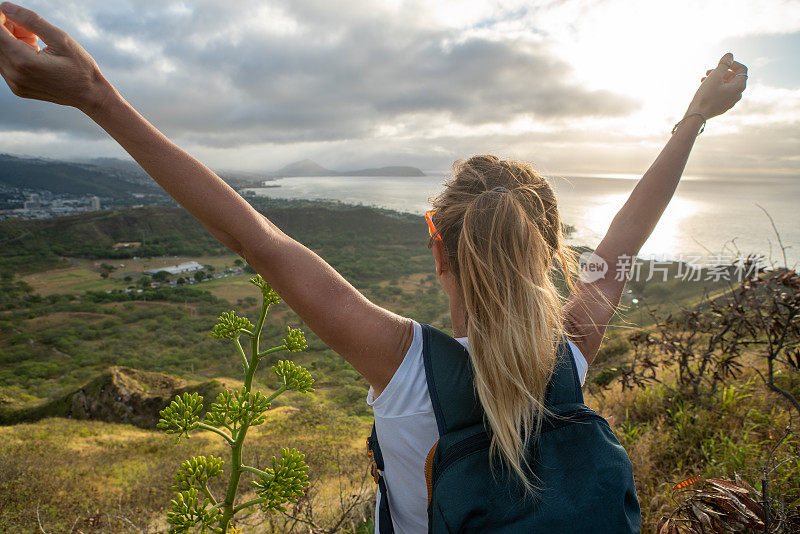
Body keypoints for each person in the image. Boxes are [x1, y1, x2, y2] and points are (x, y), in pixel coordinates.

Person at [0, 3, 747, 532]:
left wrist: (96, 94)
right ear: (547, 248)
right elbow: (626, 236)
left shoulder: (406, 364)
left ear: (435, 242)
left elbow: (261, 242)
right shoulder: (572, 353)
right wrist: (694, 118)